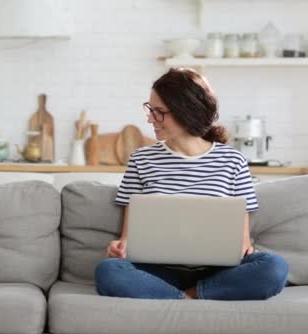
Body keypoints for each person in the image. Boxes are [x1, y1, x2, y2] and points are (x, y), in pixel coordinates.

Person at [94, 68, 288, 300]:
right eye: (149, 109)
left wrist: (242, 249)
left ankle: (184, 297)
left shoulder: (233, 160)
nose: (149, 119)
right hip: (157, 271)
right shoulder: (141, 159)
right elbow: (128, 238)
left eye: (159, 112)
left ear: (186, 112)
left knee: (274, 267)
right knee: (108, 271)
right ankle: (191, 298)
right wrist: (119, 248)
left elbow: (242, 243)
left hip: (218, 272)